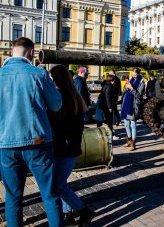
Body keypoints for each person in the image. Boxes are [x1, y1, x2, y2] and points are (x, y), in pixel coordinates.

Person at [0, 37, 63, 226]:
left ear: (12, 52)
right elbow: (56, 105)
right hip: (37, 142)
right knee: (50, 194)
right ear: (31, 53)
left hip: (6, 144)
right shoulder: (38, 74)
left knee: (13, 197)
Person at [48, 65, 95, 226]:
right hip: (70, 148)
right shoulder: (74, 96)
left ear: (56, 79)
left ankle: (83, 211)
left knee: (58, 185)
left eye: (51, 78)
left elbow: (56, 125)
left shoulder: (59, 98)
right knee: (61, 184)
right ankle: (69, 212)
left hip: (62, 148)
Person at [121, 68, 145, 150]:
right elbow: (123, 92)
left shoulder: (142, 82)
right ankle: (129, 140)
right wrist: (126, 88)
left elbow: (139, 96)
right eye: (133, 73)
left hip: (133, 105)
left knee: (133, 125)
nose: (134, 74)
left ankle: (133, 144)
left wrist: (132, 88)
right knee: (126, 124)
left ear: (138, 74)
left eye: (135, 73)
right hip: (126, 105)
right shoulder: (130, 80)